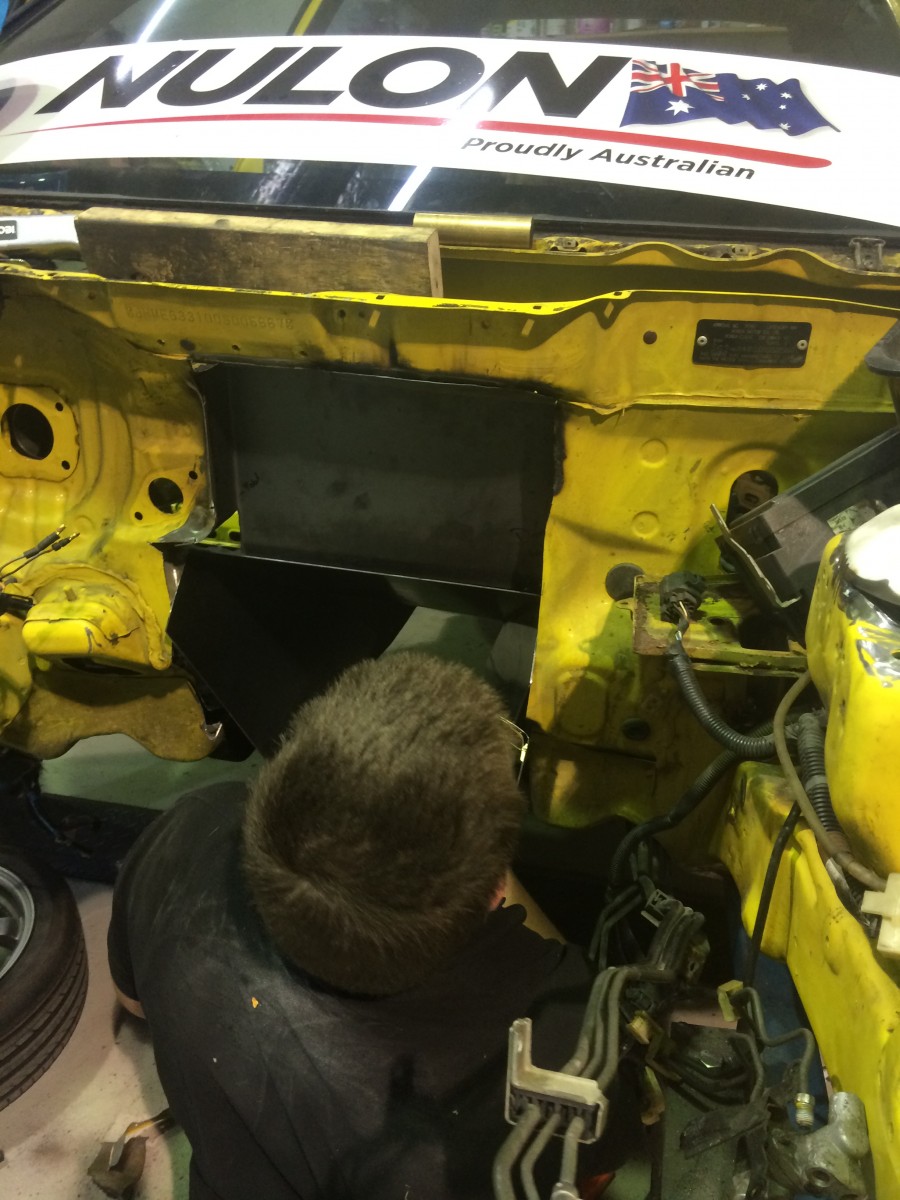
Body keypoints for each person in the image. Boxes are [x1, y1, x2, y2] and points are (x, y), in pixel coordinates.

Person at [107, 651, 599, 1200]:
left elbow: (134, 1004)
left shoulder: (189, 829)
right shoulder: (563, 1035)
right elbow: (595, 1167)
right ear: (496, 890)